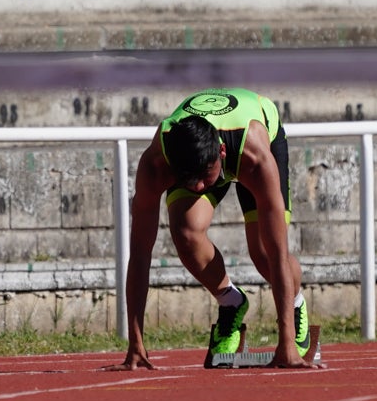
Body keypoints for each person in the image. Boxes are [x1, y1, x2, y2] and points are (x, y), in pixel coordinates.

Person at [105, 88, 316, 372]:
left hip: (254, 130)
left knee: (264, 253)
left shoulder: (254, 154)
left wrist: (287, 345)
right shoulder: (158, 162)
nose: (200, 188)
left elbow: (279, 252)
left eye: (206, 178)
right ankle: (231, 302)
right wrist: (135, 344)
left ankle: (295, 302)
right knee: (185, 230)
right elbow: (140, 253)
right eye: (190, 181)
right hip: (197, 154)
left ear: (222, 154)